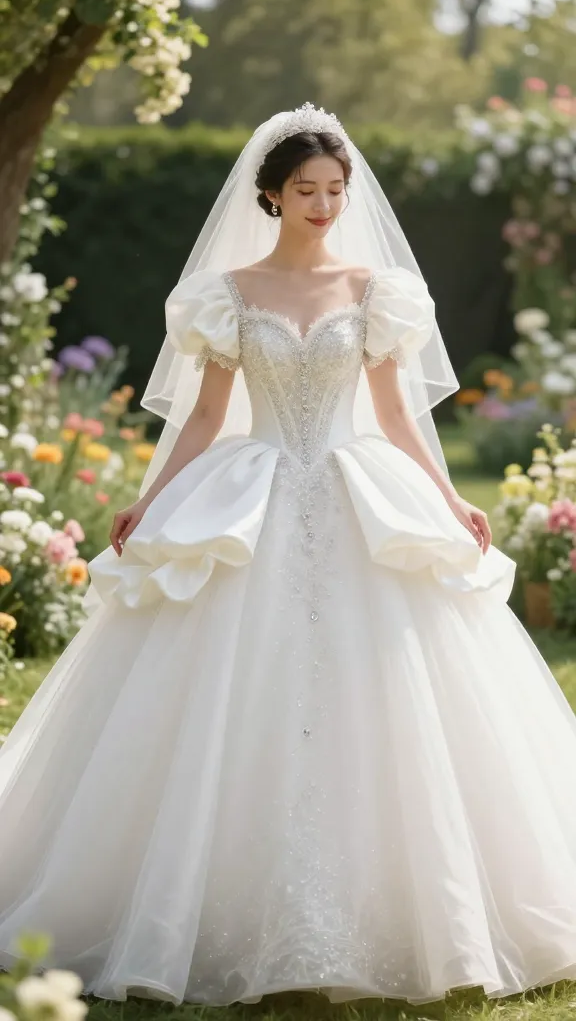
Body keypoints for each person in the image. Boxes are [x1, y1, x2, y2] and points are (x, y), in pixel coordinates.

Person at [1, 102, 576, 1010]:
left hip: (359, 488)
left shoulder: (371, 290)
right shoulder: (228, 294)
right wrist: (148, 500)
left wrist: (449, 492)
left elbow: (393, 413)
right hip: (255, 489)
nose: (323, 203)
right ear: (270, 195)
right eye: (306, 189)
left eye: (336, 190)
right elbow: (201, 415)